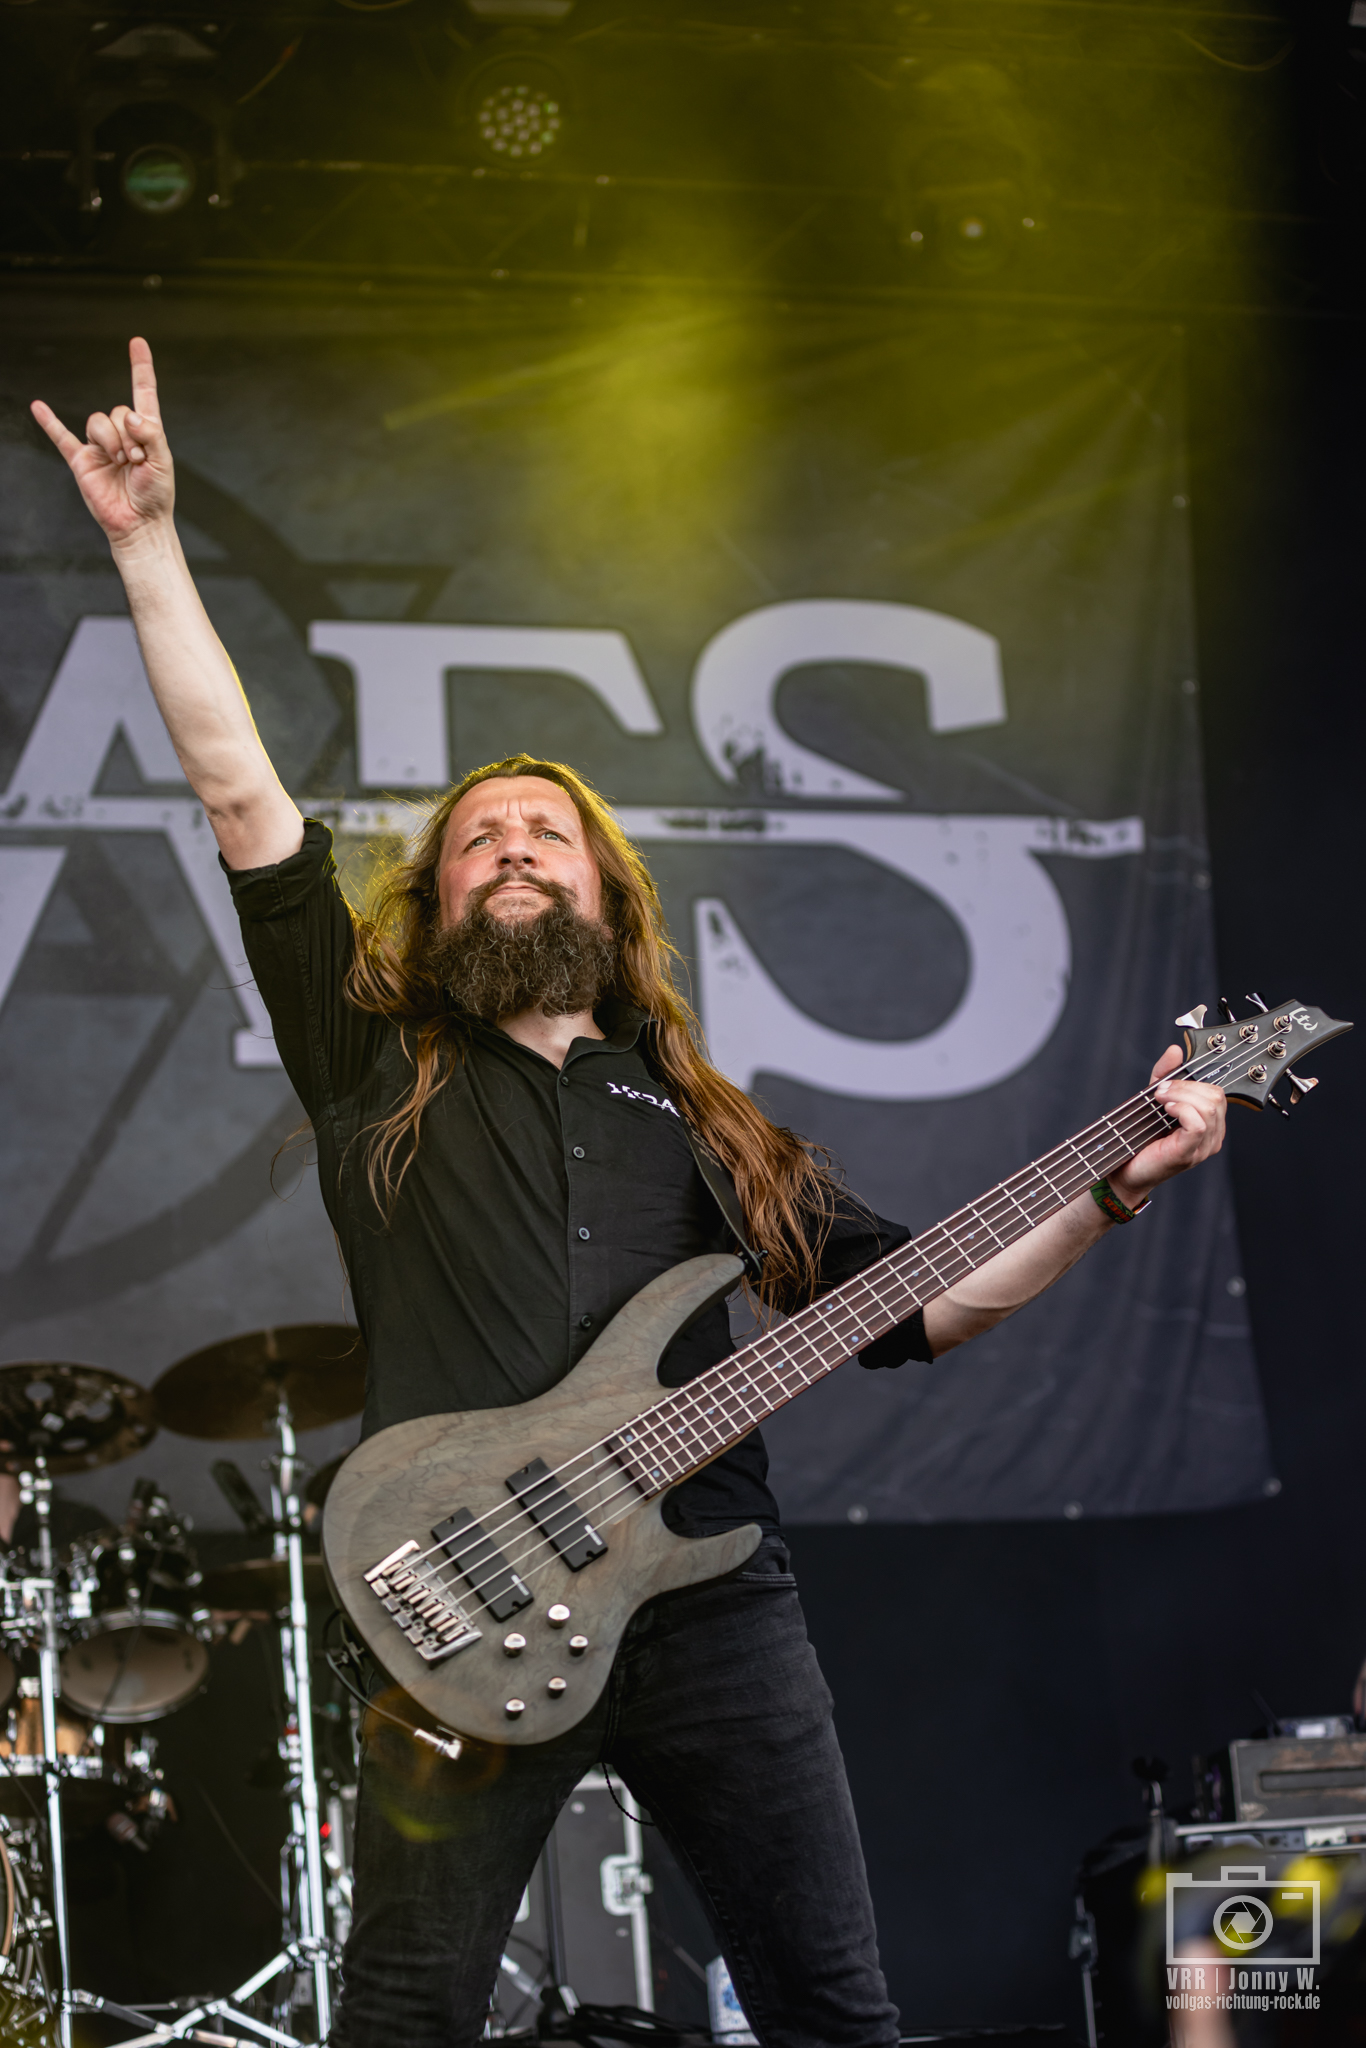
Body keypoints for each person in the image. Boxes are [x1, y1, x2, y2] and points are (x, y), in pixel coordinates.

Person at [32, 341, 1228, 2048]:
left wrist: (1113, 1189)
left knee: (835, 2009)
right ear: (436, 900)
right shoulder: (376, 1059)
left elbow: (928, 1305)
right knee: (405, 2014)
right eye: (478, 840)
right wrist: (149, 544)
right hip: (462, 1591)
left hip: (715, 1604)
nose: (513, 850)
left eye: (548, 835)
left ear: (606, 891)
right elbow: (240, 793)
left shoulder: (714, 1128)